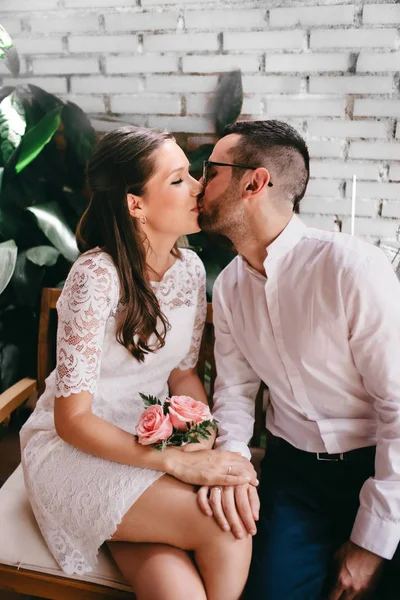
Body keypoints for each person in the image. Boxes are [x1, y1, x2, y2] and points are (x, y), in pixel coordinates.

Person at [20, 126, 258, 600]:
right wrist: (177, 464)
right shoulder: (95, 276)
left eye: (192, 175)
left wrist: (202, 439)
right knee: (228, 527)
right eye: (177, 180)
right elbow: (72, 419)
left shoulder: (189, 269)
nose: (197, 187)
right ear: (136, 204)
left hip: (150, 438)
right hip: (76, 452)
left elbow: (183, 373)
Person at [196, 120, 400, 600]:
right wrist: (235, 466)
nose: (200, 184)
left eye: (211, 170)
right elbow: (234, 391)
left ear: (254, 182)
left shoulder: (351, 268)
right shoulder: (227, 287)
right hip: (294, 477)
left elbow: (398, 405)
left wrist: (370, 544)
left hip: (381, 466)